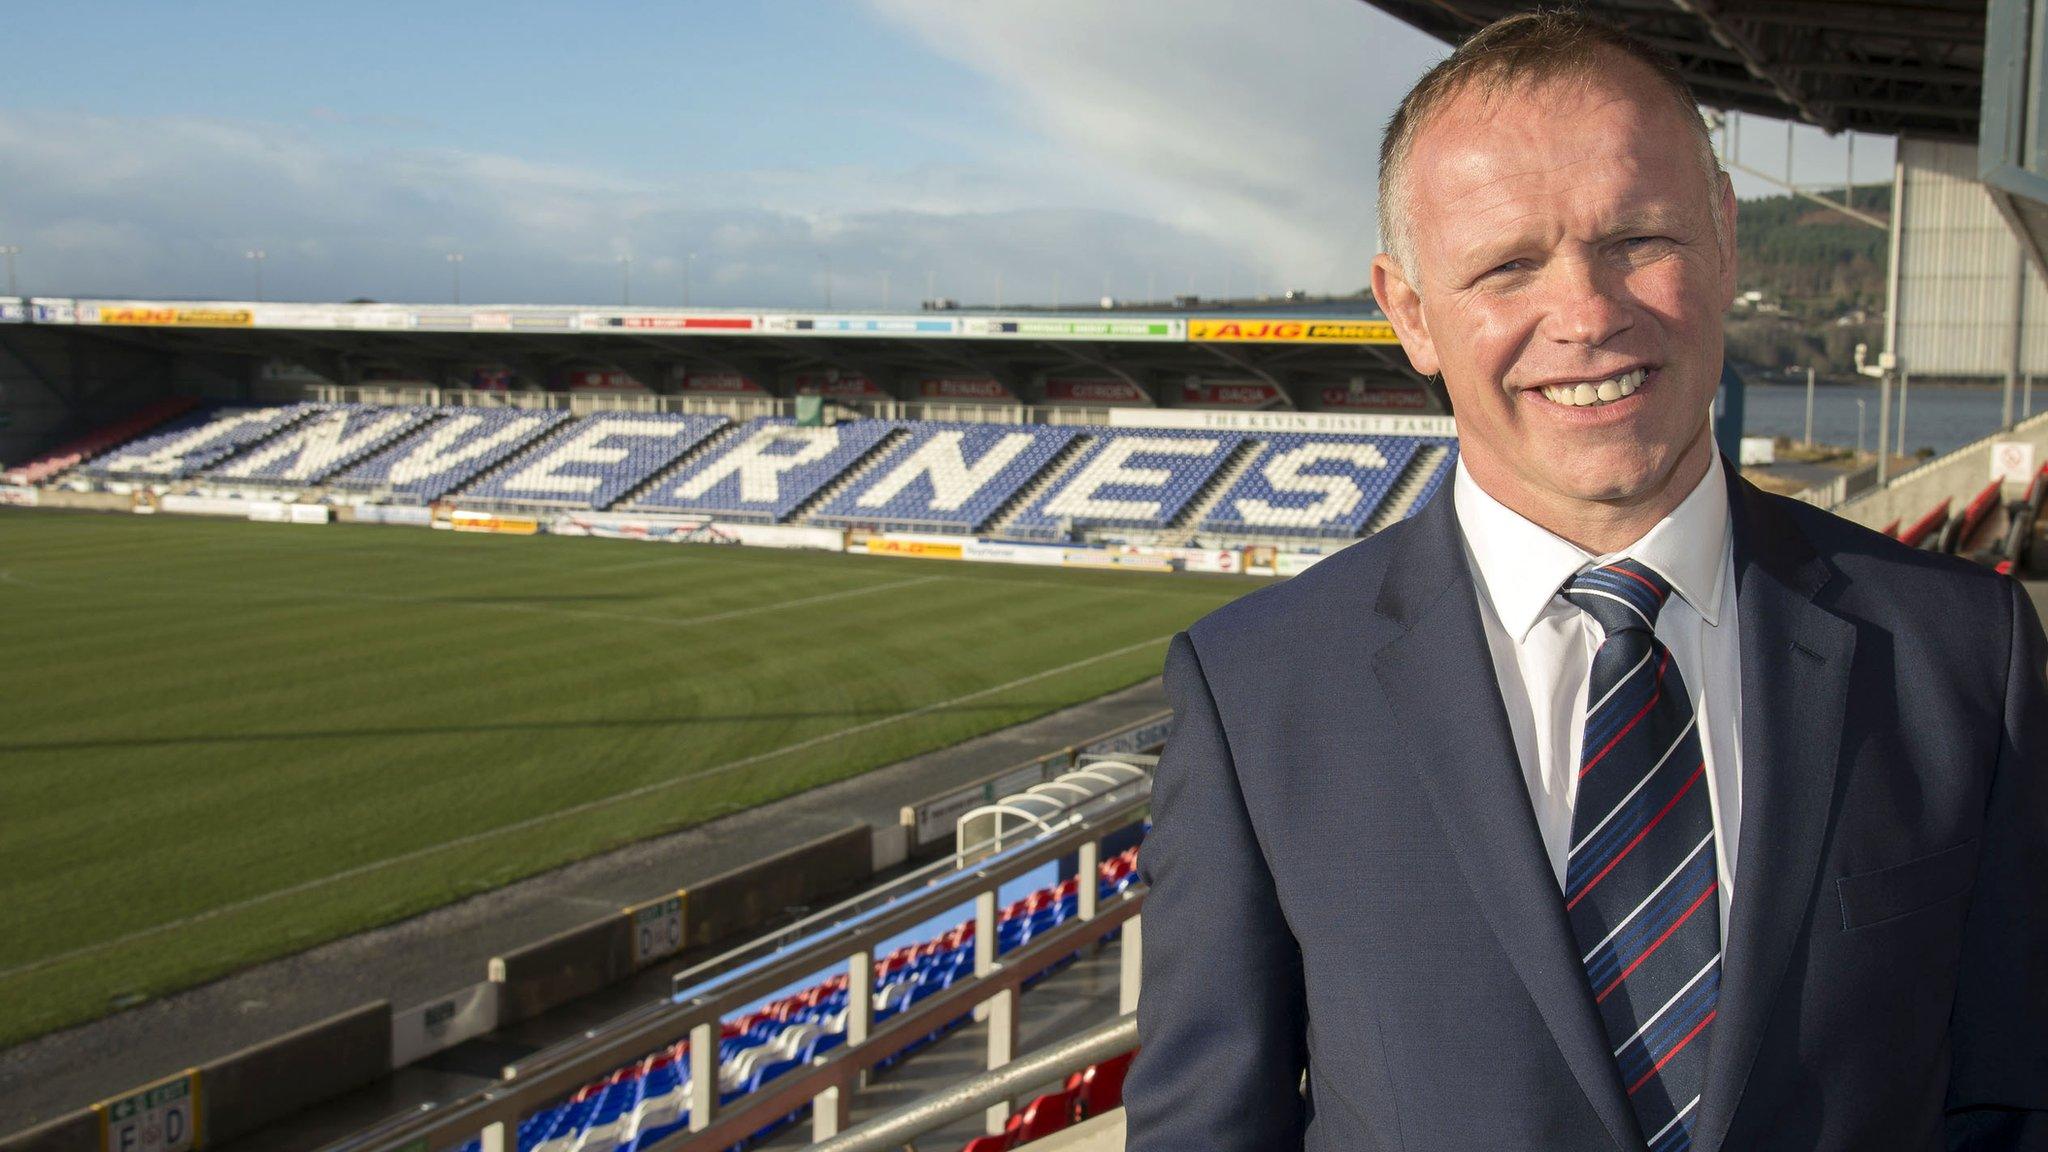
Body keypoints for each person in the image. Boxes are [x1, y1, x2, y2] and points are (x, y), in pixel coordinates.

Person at [1122, 12, 2048, 1152]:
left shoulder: (1962, 651)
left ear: (1721, 231)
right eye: (1507, 264)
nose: (1588, 315)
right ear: (1408, 310)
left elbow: (2016, 1094)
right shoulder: (1256, 693)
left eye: (1638, 240)